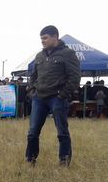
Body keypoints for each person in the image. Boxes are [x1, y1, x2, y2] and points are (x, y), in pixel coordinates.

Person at [25, 25, 80, 167]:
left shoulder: (68, 54)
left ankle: (64, 160)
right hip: (39, 98)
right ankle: (30, 160)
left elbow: (74, 77)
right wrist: (32, 91)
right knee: (32, 132)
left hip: (57, 98)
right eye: (41, 38)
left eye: (45, 38)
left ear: (55, 37)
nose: (42, 41)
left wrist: (63, 94)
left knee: (62, 131)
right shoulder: (39, 56)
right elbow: (33, 76)